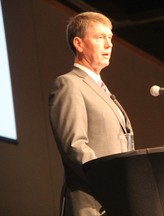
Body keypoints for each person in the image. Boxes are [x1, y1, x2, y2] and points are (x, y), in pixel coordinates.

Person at [49, 12, 133, 216]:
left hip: (116, 203)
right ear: (79, 43)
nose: (109, 44)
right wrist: (111, 181)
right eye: (99, 38)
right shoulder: (69, 84)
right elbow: (74, 146)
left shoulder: (101, 89)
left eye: (110, 38)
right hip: (92, 205)